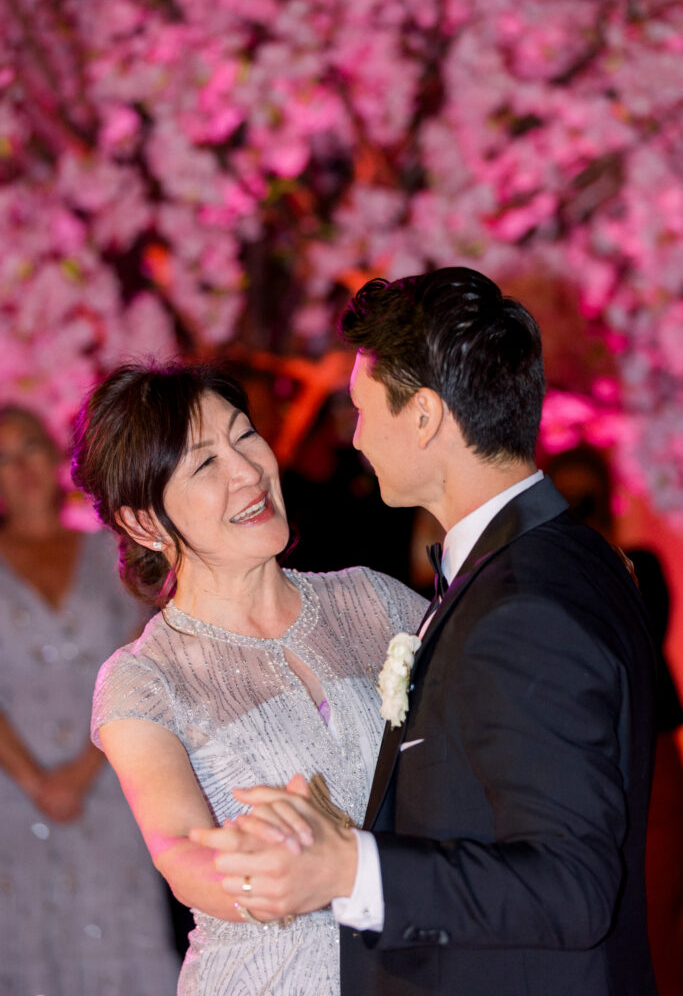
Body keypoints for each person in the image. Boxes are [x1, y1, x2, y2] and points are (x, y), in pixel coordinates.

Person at [193, 268, 659, 996]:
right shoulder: (546, 556)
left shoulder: (524, 605)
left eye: (362, 408)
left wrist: (350, 868)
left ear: (423, 416)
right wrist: (358, 838)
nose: (354, 437)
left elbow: (570, 887)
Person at [70, 361, 427, 996]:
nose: (248, 471)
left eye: (244, 436)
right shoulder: (144, 681)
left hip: (416, 965)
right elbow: (180, 852)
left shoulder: (377, 602)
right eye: (204, 464)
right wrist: (275, 877)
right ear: (142, 523)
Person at [0, 405, 180, 995]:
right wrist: (35, 782)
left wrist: (82, 769)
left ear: (55, 456)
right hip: (13, 796)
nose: (18, 466)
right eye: (2, 457)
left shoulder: (113, 556)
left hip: (113, 780)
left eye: (28, 446)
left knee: (124, 936)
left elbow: (146, 660)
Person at [547, 443, 683, 996]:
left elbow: (636, 633)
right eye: (567, 499)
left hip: (653, 766)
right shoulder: (540, 576)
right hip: (584, 770)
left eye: (589, 498)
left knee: (660, 915)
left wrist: (590, 538)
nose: (580, 508)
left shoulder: (640, 566)